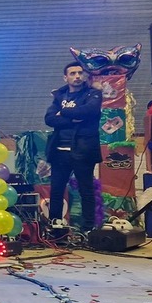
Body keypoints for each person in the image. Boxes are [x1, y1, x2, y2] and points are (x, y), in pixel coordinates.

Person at [44, 60, 102, 234]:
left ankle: (88, 229)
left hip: (83, 150)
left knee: (86, 190)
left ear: (84, 76)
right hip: (59, 151)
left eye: (80, 73)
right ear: (65, 77)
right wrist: (74, 116)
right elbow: (49, 119)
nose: (77, 76)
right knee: (56, 191)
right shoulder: (59, 96)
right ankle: (56, 228)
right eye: (72, 73)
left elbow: (89, 111)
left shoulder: (93, 94)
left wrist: (64, 113)